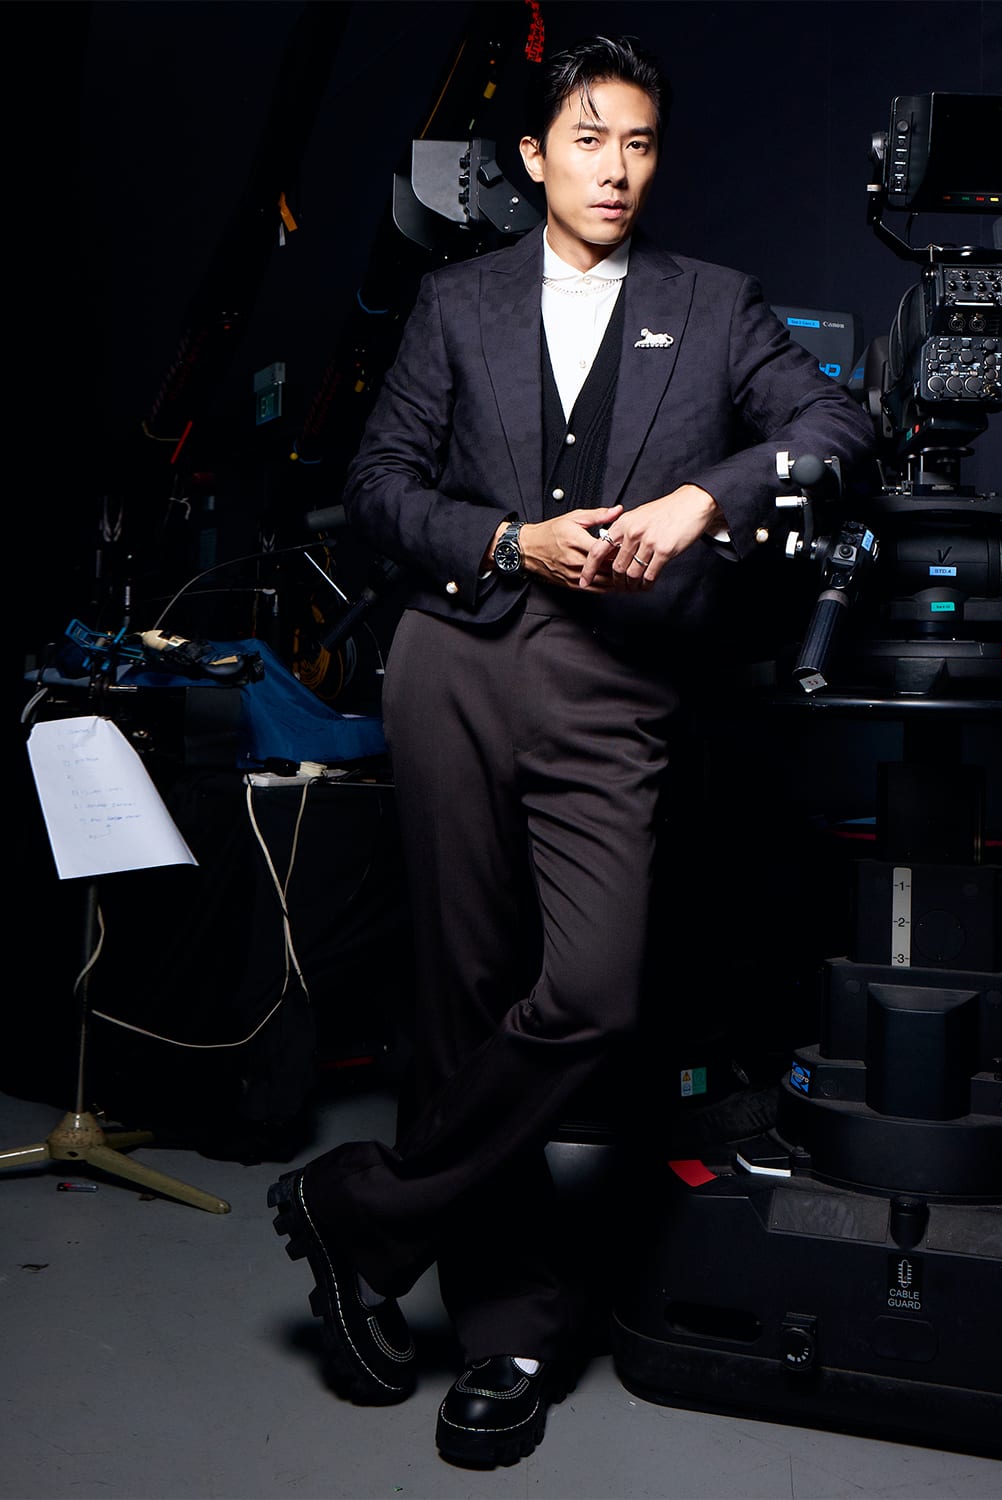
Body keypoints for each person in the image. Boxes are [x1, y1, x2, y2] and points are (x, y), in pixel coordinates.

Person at [269, 34, 875, 1469]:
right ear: (534, 157)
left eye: (640, 143)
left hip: (618, 678)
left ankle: (363, 1212)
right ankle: (510, 1330)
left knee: (592, 994)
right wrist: (502, 539)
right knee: (461, 999)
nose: (616, 169)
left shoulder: (713, 302)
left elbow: (835, 424)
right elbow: (378, 485)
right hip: (457, 661)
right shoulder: (457, 302)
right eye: (589, 140)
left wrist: (705, 497)